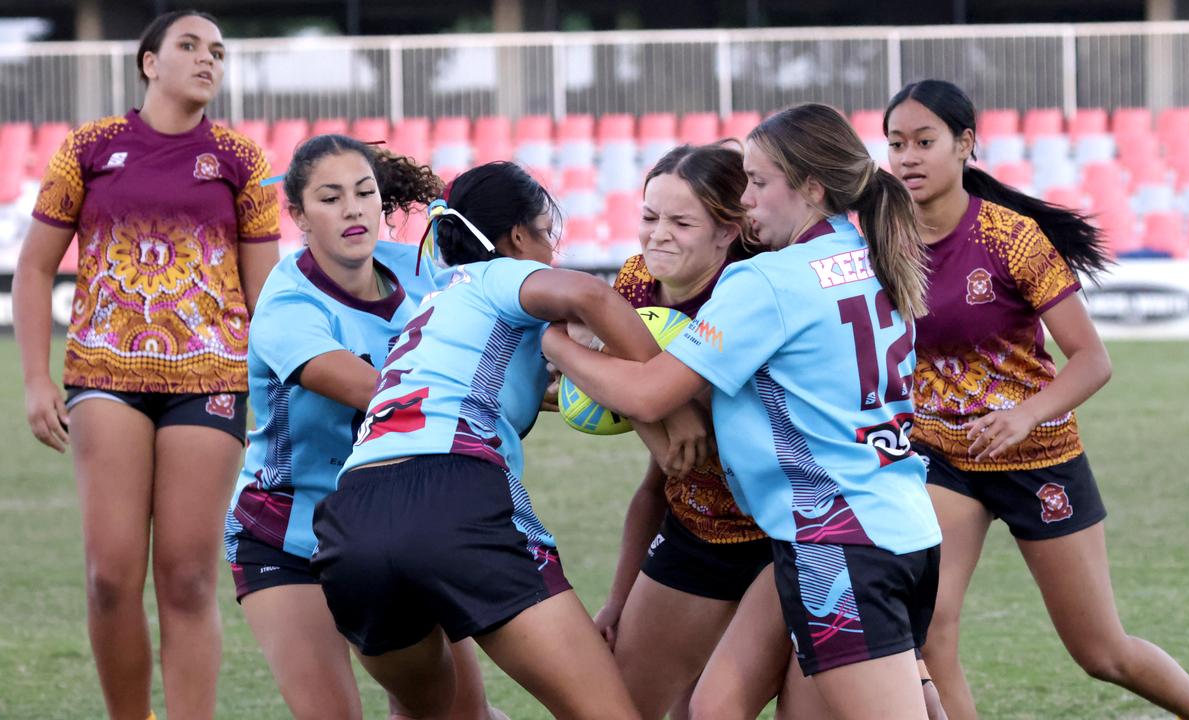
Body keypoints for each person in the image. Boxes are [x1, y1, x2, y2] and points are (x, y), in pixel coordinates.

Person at [543, 103, 942, 720]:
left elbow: (652, 393)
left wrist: (556, 345)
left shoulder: (766, 282)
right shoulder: (866, 253)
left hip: (837, 540)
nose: (745, 197)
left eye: (757, 182)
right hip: (893, 520)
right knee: (716, 707)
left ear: (810, 187)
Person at [883, 79, 1189, 720]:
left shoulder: (1013, 239)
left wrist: (1024, 416)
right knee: (931, 629)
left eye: (923, 141)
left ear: (966, 144)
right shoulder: (883, 239)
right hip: (944, 456)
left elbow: (1092, 360)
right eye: (895, 144)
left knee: (1100, 652)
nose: (907, 156)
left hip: (1039, 456)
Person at [310, 160, 709, 720]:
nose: (552, 248)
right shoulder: (495, 275)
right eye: (547, 232)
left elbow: (499, 394)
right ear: (518, 237)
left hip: (352, 517)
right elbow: (592, 298)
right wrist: (673, 402)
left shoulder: (434, 306)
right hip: (451, 492)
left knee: (435, 715)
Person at [13, 11, 279, 720]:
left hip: (212, 380)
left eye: (217, 51)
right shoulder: (89, 149)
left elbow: (268, 297)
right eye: (188, 46)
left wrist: (281, 390)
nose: (206, 60)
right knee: (109, 576)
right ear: (148, 63)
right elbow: (35, 271)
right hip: (103, 376)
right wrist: (37, 378)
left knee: (189, 579)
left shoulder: (241, 160)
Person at [224, 134, 502, 720]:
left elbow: (493, 333)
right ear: (297, 215)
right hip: (289, 538)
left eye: (363, 192)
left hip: (402, 525)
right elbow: (381, 394)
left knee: (457, 715)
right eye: (330, 198)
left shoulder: (423, 270)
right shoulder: (286, 306)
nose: (352, 209)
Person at [592, 143, 771, 720]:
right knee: (620, 705)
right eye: (649, 217)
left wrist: (659, 400)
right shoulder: (637, 282)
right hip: (698, 529)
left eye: (681, 221)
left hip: (790, 537)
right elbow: (663, 469)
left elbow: (635, 389)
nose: (657, 236)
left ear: (728, 231)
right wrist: (619, 600)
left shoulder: (753, 290)